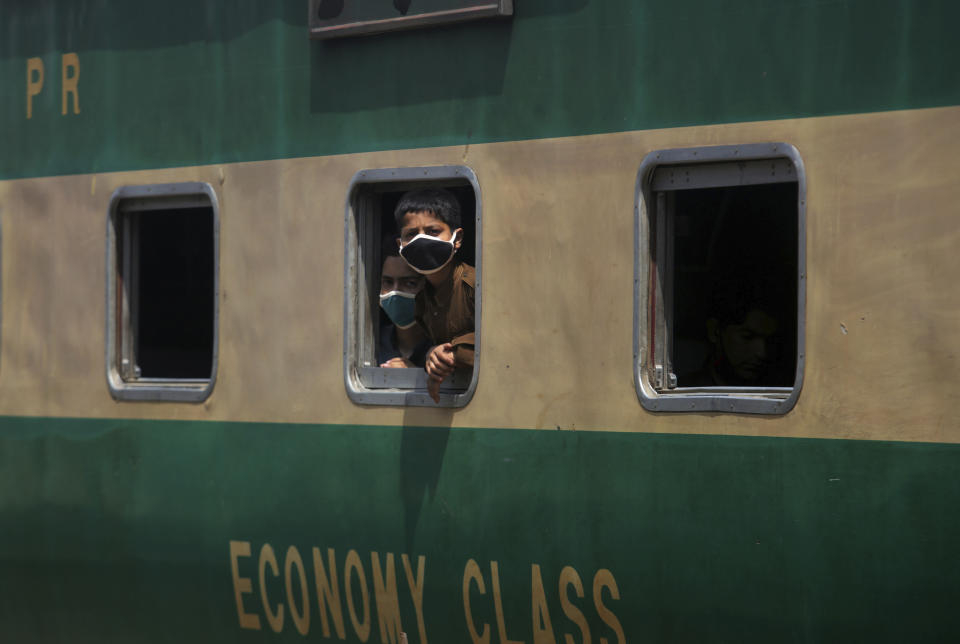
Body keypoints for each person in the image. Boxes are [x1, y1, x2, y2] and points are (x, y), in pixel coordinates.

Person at [394, 188, 475, 402]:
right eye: (411, 234)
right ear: (400, 245)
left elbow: (497, 343)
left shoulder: (476, 286)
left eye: (432, 231)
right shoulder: (422, 300)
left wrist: (453, 354)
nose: (421, 240)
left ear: (457, 238)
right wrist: (431, 354)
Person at [685, 269, 790, 387]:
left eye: (770, 341)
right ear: (714, 332)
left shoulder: (779, 387)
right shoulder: (686, 390)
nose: (762, 353)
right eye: (747, 337)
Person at [377, 237, 427, 368]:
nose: (395, 292)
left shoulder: (442, 347)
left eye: (410, 283)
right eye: (388, 282)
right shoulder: (372, 342)